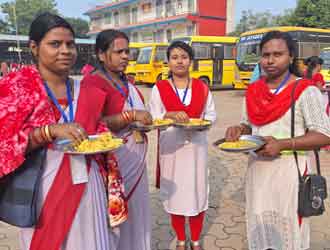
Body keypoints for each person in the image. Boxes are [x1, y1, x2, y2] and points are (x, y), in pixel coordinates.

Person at [0, 13, 116, 250]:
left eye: (70, 44)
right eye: (55, 44)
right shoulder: (18, 86)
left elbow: (95, 126)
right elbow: (4, 144)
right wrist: (48, 131)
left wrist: (105, 136)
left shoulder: (82, 87)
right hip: (43, 188)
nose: (65, 50)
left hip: (89, 184)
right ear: (34, 47)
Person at [225, 31, 330, 250]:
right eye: (265, 55)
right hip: (258, 173)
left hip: (290, 175)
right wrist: (239, 130)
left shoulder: (306, 90)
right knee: (259, 228)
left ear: (291, 57)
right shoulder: (254, 90)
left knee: (288, 233)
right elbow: (249, 124)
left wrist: (282, 144)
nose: (270, 60)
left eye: (277, 54)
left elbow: (323, 135)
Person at [81, 29, 152, 250]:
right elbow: (92, 125)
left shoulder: (126, 82)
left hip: (136, 159)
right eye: (119, 51)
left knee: (138, 213)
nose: (125, 56)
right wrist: (130, 116)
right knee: (116, 216)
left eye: (127, 51)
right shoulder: (93, 83)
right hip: (114, 164)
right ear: (101, 55)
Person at [149, 41, 217, 250]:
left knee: (197, 193)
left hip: (196, 149)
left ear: (191, 61)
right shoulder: (158, 88)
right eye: (175, 57)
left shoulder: (202, 87)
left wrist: (203, 125)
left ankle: (195, 240)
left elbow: (211, 115)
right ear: (168, 62)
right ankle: (180, 239)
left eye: (184, 57)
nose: (179, 61)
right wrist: (168, 115)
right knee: (175, 195)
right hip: (171, 149)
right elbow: (153, 117)